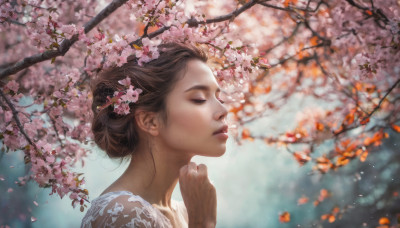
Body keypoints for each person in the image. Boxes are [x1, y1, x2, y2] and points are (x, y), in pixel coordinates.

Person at [80, 42, 229, 228]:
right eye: (199, 99)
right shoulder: (122, 214)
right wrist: (202, 223)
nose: (223, 110)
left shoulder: (185, 211)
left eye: (219, 98)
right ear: (149, 121)